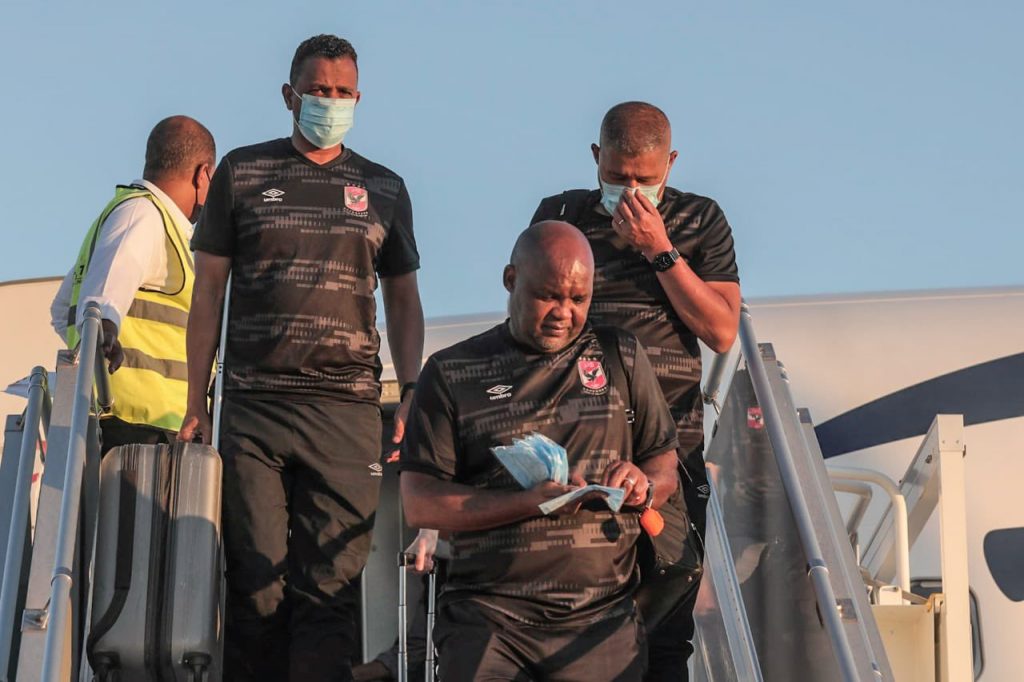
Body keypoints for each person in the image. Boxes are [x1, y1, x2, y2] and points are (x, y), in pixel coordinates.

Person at [177, 35, 424, 681]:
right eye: (319, 90)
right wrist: (195, 399)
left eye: (343, 93)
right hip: (256, 409)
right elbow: (208, 291)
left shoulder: (383, 188)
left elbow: (402, 297)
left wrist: (414, 387)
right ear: (290, 95)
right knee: (256, 588)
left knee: (330, 594)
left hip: (347, 414)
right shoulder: (243, 170)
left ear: (359, 98)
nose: (330, 102)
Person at [400, 221, 681, 681]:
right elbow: (419, 501)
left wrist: (643, 484)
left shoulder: (620, 356)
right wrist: (526, 503)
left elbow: (664, 464)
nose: (563, 312)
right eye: (548, 295)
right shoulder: (452, 371)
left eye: (578, 299)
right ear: (511, 280)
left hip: (601, 622)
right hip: (489, 621)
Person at [530, 101, 742, 681]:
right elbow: (532, 315)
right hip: (577, 436)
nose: (629, 192)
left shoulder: (700, 218)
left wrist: (660, 248)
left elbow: (722, 330)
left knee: (667, 616)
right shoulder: (563, 214)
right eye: (617, 177)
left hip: (670, 441)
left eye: (645, 180)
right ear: (596, 159)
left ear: (670, 165)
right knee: (574, 613)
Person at [50, 115, 215, 454]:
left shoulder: (130, 215)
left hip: (136, 425)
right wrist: (106, 329)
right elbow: (104, 298)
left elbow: (62, 309)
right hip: (137, 430)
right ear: (204, 174)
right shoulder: (143, 215)